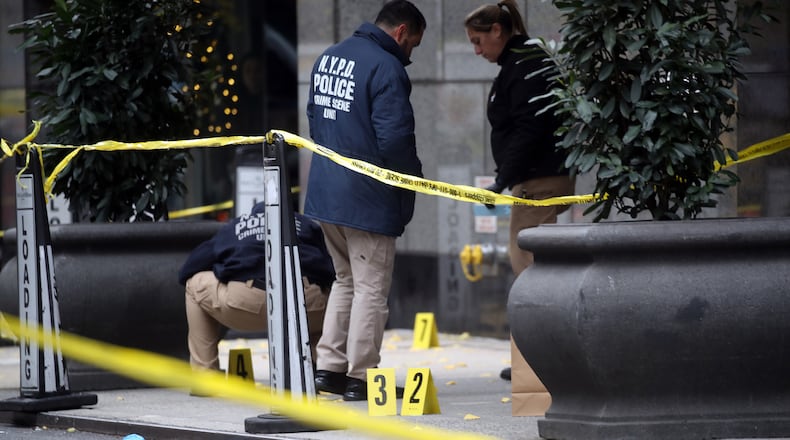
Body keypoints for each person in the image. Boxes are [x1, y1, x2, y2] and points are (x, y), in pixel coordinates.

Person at [304, 0, 426, 401]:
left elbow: (314, 119)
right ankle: (361, 377)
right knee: (371, 289)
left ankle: (330, 370)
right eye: (414, 46)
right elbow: (394, 139)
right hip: (368, 198)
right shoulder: (385, 66)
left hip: (326, 193)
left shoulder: (328, 57)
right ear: (402, 32)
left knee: (345, 282)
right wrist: (410, 185)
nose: (410, 56)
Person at [465, 0, 574, 380]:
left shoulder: (524, 64)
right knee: (531, 267)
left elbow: (529, 128)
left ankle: (539, 362)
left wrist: (501, 179)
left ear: (498, 31)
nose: (477, 51)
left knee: (527, 269)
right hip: (534, 176)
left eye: (479, 41)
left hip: (537, 179)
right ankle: (538, 359)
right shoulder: (520, 62)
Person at [178, 203, 335, 379]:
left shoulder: (236, 226)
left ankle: (204, 375)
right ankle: (317, 369)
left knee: (194, 284)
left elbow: (190, 267)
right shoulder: (306, 226)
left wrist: (224, 271)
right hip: (301, 306)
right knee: (332, 295)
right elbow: (329, 270)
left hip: (243, 303)